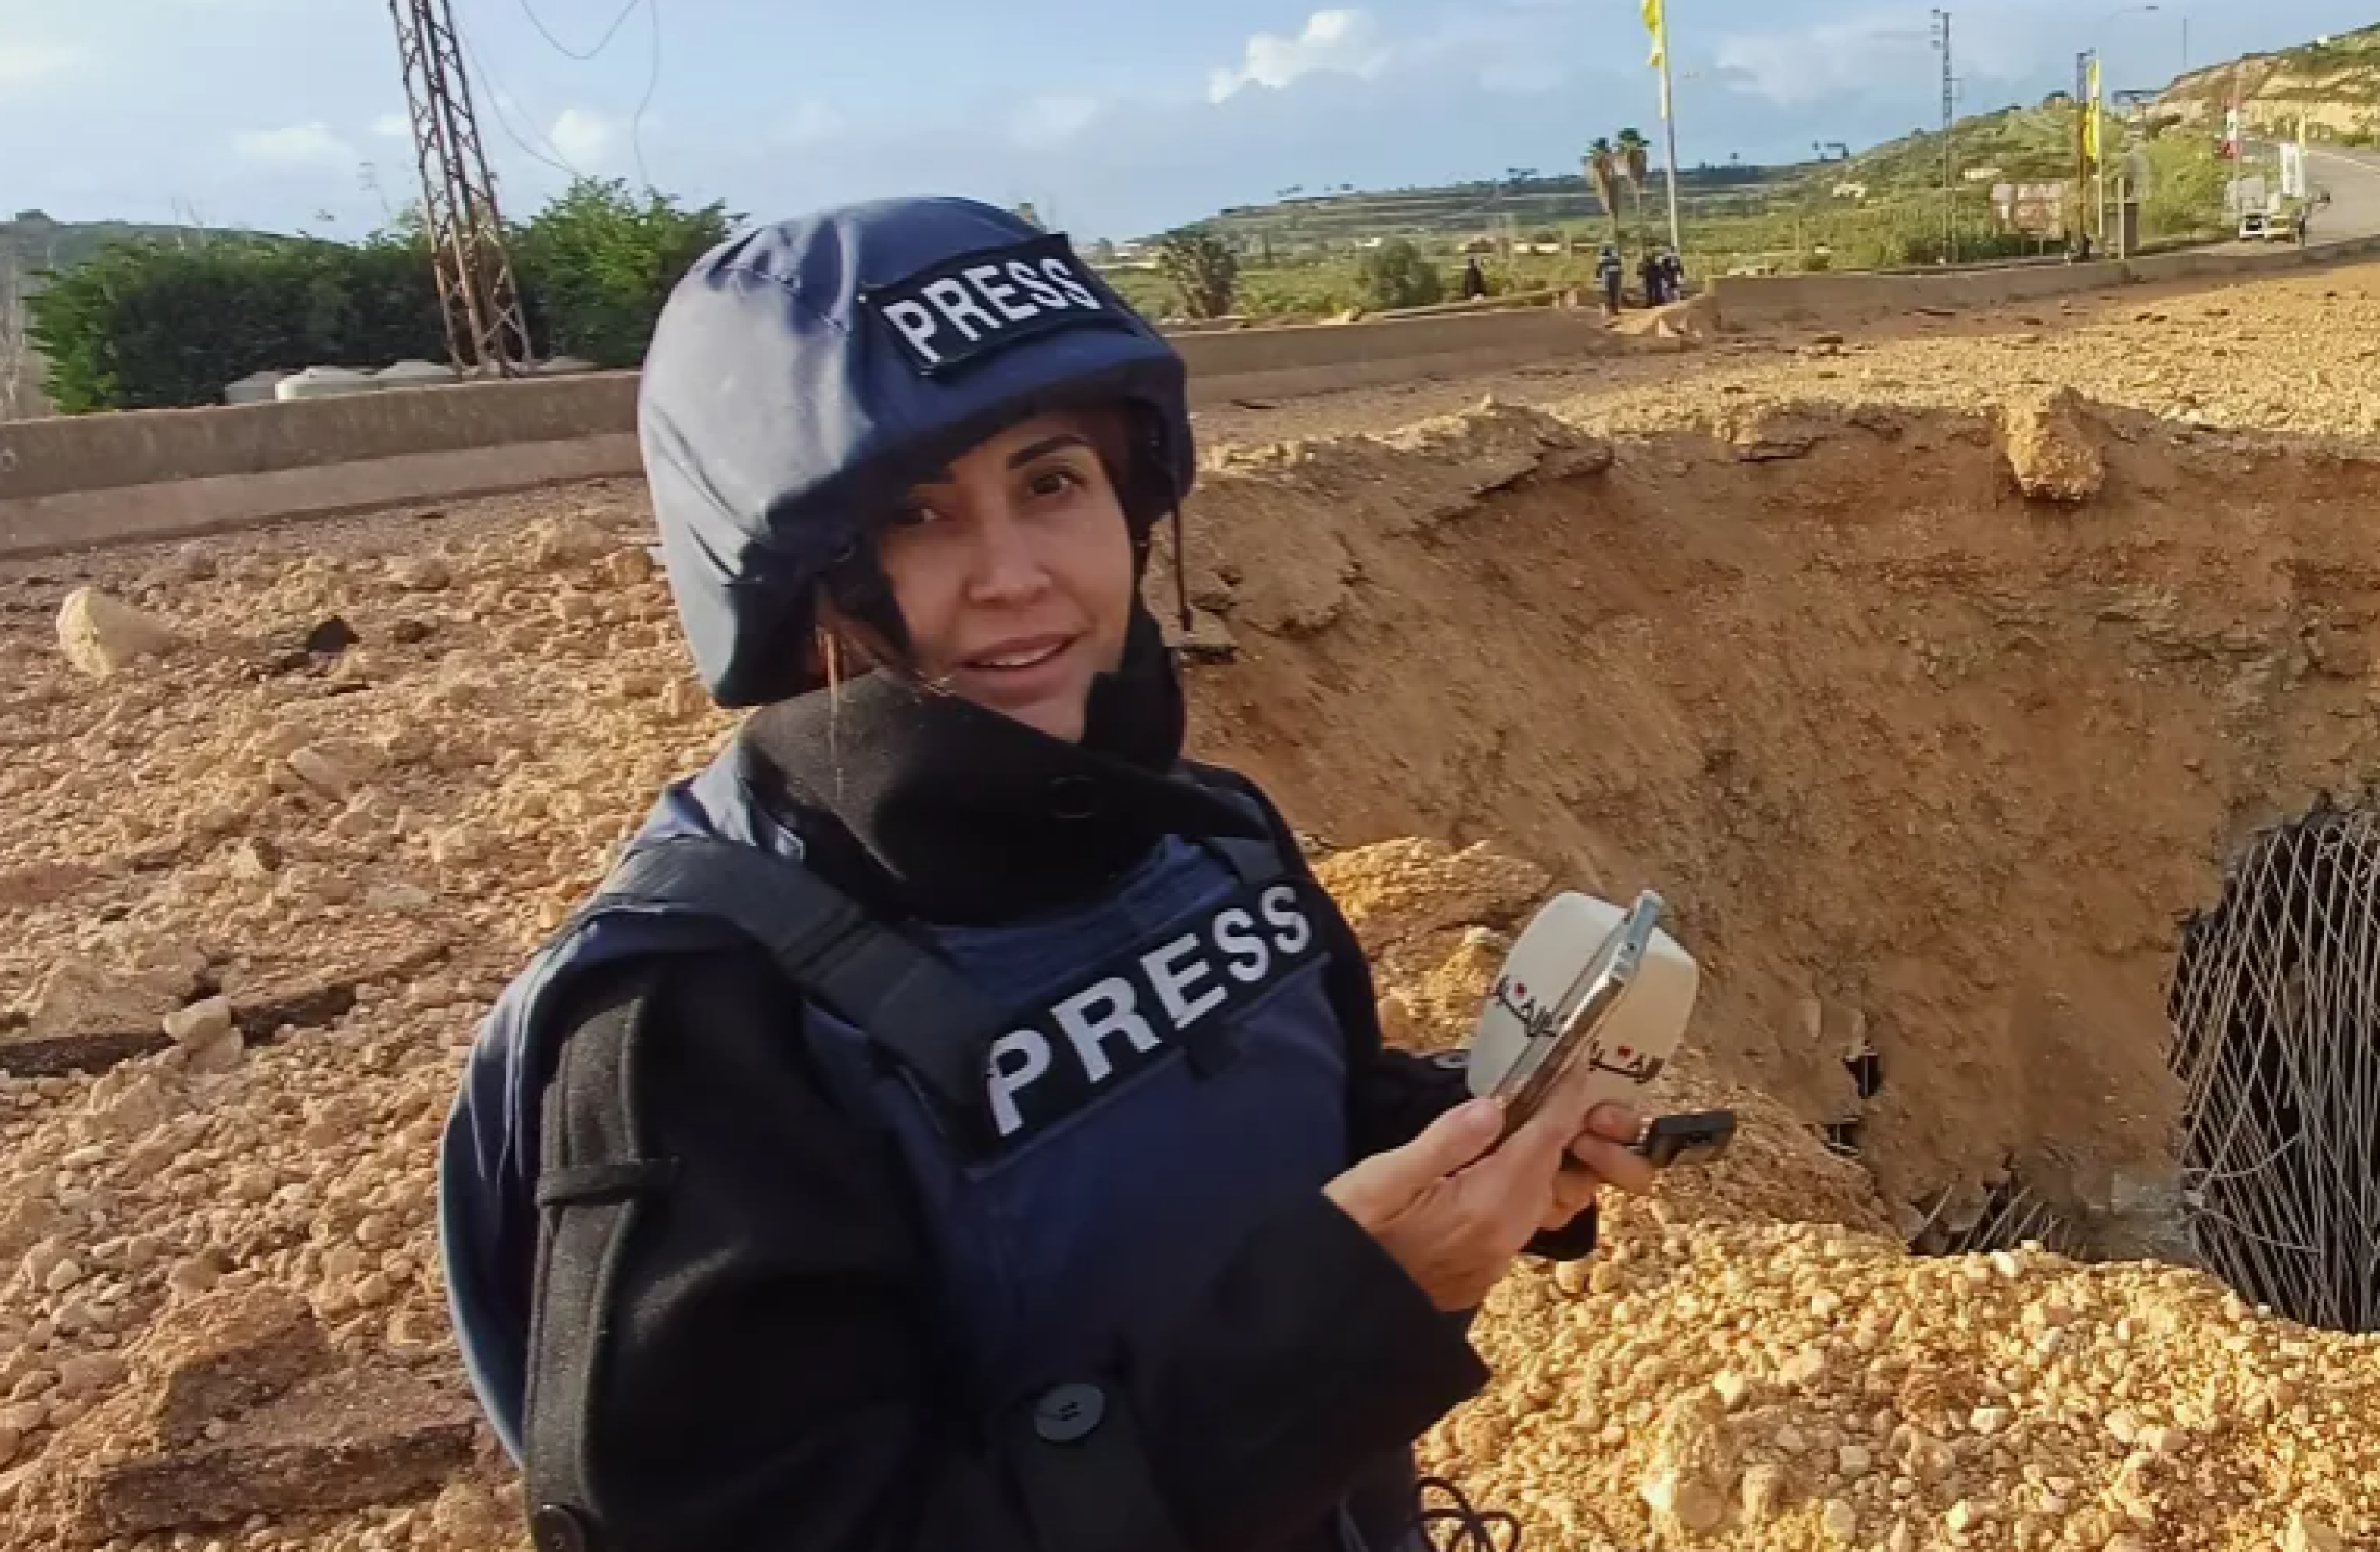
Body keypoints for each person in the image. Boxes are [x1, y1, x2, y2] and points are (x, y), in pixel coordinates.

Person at [436, 196, 1658, 1552]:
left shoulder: (1212, 837)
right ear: (794, 577)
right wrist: (1337, 1328)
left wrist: (1478, 1143)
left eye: (1052, 482)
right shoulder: (705, 1015)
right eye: (914, 513)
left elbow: (1283, 1112)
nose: (1013, 574)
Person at [1596, 242, 1623, 317]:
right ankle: (1611, 310)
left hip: (1612, 276)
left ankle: (1613, 309)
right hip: (1610, 276)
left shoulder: (1611, 258)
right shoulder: (1606, 258)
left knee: (1613, 294)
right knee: (1611, 294)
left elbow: (1600, 268)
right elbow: (1600, 268)